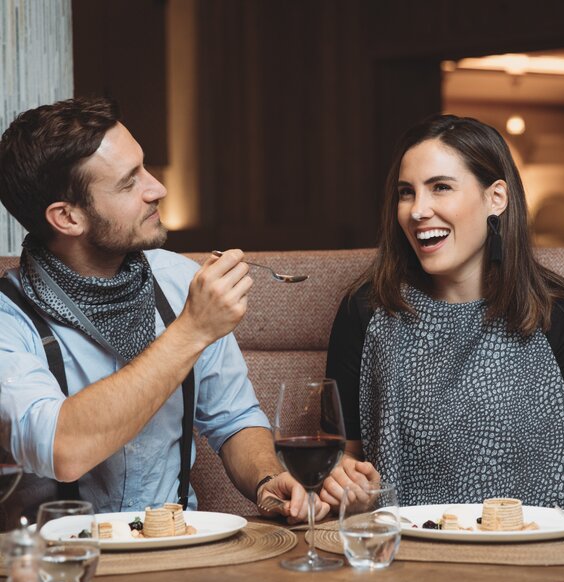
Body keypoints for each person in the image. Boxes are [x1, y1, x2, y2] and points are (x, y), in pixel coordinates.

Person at [0, 97, 328, 524]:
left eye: (144, 167)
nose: (157, 188)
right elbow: (63, 448)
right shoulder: (9, 317)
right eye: (128, 182)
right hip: (58, 567)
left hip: (178, 551)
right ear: (67, 217)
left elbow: (235, 420)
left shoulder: (178, 281)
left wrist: (268, 480)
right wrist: (191, 331)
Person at [322, 114, 564, 517]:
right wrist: (345, 486)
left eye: (440, 187)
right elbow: (341, 464)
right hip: (411, 552)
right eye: (407, 193)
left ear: (496, 198)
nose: (418, 210)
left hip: (534, 548)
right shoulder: (366, 309)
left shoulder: (551, 308)